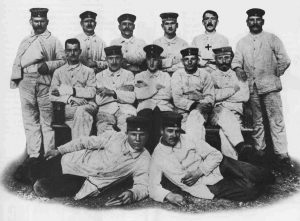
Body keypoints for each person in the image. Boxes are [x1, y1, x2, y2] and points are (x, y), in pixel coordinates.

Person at [149, 112, 275, 205]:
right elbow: (152, 186)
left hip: (216, 167)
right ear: (161, 131)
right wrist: (169, 195)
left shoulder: (187, 138)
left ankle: (268, 176)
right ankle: (256, 181)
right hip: (204, 186)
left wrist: (199, 172)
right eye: (170, 131)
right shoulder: (157, 155)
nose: (174, 135)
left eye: (177, 131)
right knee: (250, 190)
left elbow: (216, 154)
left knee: (257, 173)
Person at [27, 116, 150, 205]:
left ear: (147, 135)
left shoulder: (144, 158)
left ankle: (44, 183)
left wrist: (133, 194)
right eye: (134, 134)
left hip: (87, 182)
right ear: (127, 133)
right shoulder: (116, 137)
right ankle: (32, 170)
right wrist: (60, 150)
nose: (138, 139)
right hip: (74, 162)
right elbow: (85, 141)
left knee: (45, 187)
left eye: (142, 135)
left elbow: (142, 185)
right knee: (30, 171)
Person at [231, 8, 292, 167]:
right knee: (257, 121)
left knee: (276, 120)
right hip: (253, 88)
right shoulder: (242, 42)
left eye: (258, 19)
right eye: (252, 19)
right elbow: (236, 61)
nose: (255, 22)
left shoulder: (272, 39)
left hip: (270, 87)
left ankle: (282, 154)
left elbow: (284, 59)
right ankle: (260, 151)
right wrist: (238, 69)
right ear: (247, 22)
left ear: (262, 21)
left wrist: (273, 74)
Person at [11, 8, 65, 179]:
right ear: (31, 22)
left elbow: (63, 60)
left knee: (46, 120)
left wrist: (48, 66)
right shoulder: (25, 40)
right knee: (29, 119)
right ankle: (34, 156)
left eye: (42, 20)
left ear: (47, 22)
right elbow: (18, 62)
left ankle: (49, 155)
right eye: (36, 20)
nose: (39, 24)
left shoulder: (54, 40)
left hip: (44, 80)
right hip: (26, 81)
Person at [50, 38, 97, 139]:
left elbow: (91, 92)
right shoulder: (58, 72)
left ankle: (78, 151)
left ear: (79, 52)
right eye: (69, 50)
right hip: (66, 110)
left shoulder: (89, 71)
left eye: (75, 50)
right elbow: (51, 95)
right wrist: (70, 98)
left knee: (81, 112)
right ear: (65, 52)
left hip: (86, 106)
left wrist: (70, 90)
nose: (72, 53)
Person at [209, 46, 250, 160]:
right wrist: (233, 91)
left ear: (232, 58)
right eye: (220, 58)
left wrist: (222, 96)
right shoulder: (211, 76)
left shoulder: (240, 74)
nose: (223, 61)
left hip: (236, 112)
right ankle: (240, 146)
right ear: (215, 60)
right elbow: (212, 96)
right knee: (225, 116)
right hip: (218, 113)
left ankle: (232, 167)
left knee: (224, 133)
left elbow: (244, 96)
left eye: (227, 57)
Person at [135, 44, 173, 153]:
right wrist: (156, 88)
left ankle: (160, 155)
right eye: (149, 59)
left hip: (163, 107)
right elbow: (139, 95)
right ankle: (147, 154)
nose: (151, 63)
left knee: (162, 125)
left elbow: (168, 95)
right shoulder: (140, 76)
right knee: (146, 124)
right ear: (146, 60)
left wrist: (147, 90)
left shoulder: (165, 76)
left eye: (155, 60)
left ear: (159, 61)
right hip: (145, 108)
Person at [171, 47, 214, 137]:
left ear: (198, 60)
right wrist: (195, 105)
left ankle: (195, 149)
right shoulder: (177, 75)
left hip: (201, 111)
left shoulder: (205, 74)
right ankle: (199, 150)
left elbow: (210, 97)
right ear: (182, 61)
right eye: (186, 59)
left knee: (195, 120)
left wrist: (201, 105)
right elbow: (177, 99)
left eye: (193, 59)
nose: (189, 62)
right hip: (182, 112)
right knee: (196, 130)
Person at [95, 45, 136, 135]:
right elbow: (99, 100)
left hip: (126, 111)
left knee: (126, 132)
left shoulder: (128, 74)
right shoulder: (100, 76)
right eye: (110, 58)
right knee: (105, 133)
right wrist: (121, 92)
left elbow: (132, 98)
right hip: (105, 111)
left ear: (121, 59)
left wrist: (111, 92)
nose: (114, 62)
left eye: (117, 58)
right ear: (106, 59)